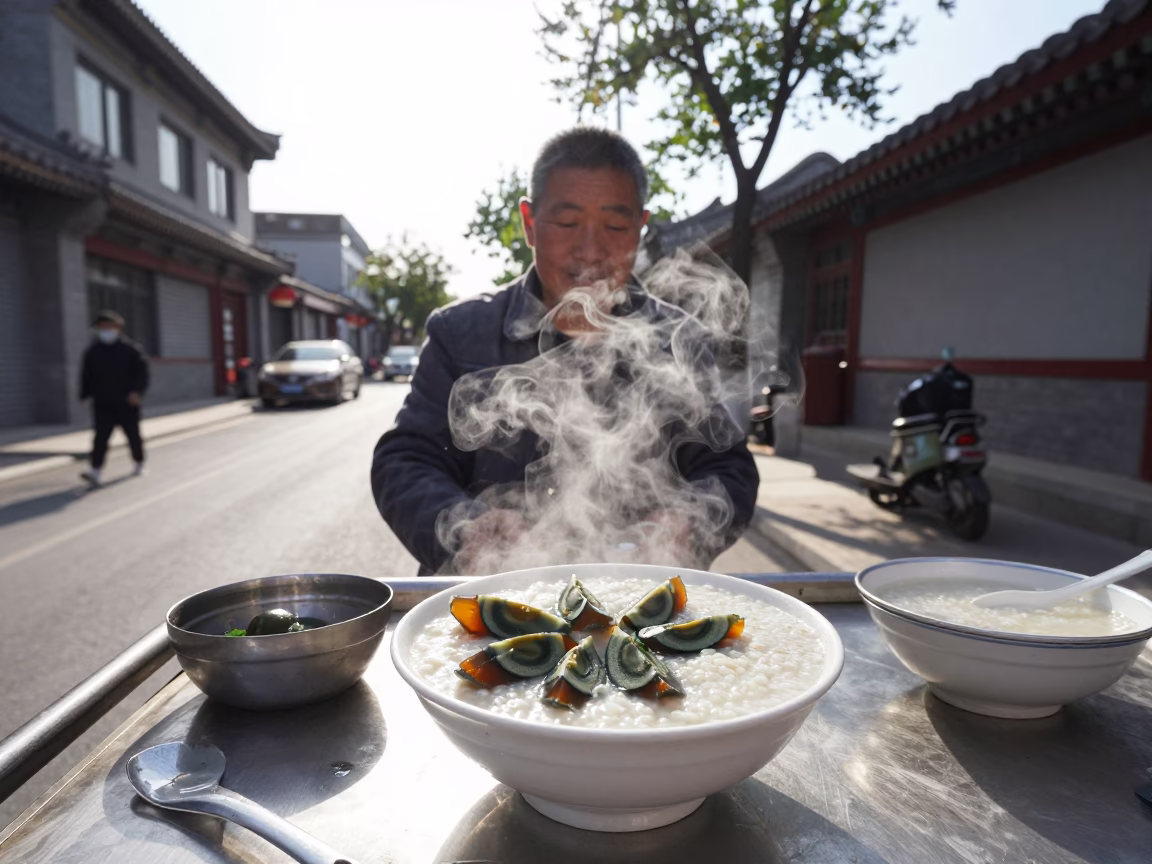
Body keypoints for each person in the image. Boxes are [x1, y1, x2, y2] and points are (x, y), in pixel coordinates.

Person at [371, 127, 759, 574]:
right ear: (530, 224)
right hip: (489, 605)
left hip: (638, 604)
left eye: (615, 226)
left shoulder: (678, 337)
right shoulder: (460, 332)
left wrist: (690, 523)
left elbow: (728, 466)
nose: (591, 250)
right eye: (567, 222)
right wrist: (466, 529)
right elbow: (405, 459)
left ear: (639, 227)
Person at [79, 310, 149, 487]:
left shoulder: (131, 350)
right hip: (102, 402)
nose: (106, 330)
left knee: (132, 434)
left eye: (109, 327)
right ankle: (95, 470)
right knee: (100, 437)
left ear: (118, 328)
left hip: (127, 401)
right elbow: (86, 375)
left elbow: (142, 374)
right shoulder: (93, 352)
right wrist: (84, 394)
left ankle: (139, 462)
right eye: (102, 327)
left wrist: (137, 392)